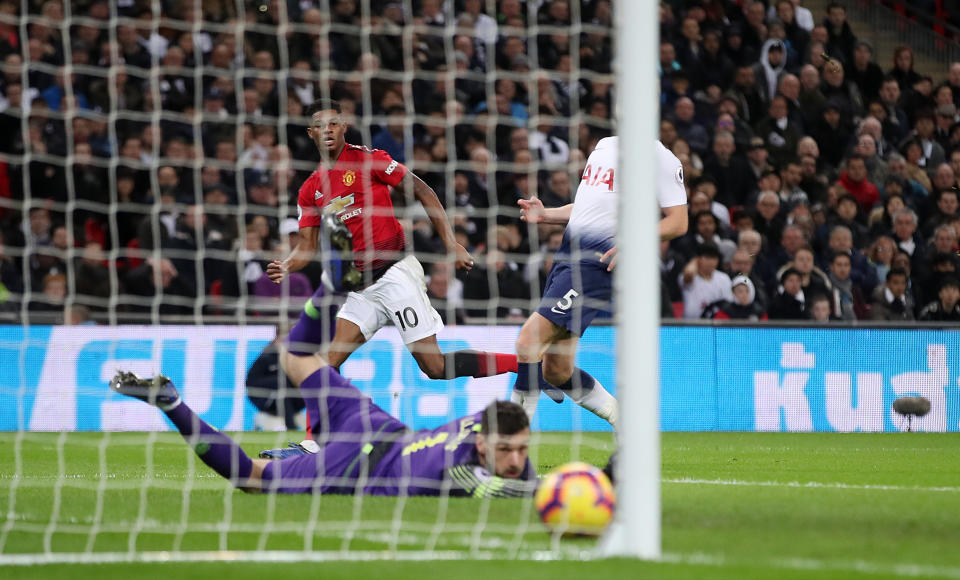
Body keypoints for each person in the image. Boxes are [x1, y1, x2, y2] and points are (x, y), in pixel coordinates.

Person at [267, 99, 518, 385]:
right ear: (310, 133)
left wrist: (451, 244)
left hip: (393, 272)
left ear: (344, 127)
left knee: (434, 368)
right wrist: (286, 265)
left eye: (334, 123)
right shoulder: (310, 190)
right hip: (359, 286)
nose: (328, 130)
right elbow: (307, 246)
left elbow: (423, 190)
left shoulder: (368, 159)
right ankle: (318, 431)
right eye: (320, 126)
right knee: (325, 363)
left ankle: (525, 367)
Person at [108, 354, 537, 497]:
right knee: (252, 479)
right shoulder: (461, 473)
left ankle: (334, 283)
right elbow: (515, 490)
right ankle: (173, 404)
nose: (515, 460)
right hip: (355, 466)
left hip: (376, 424)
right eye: (506, 451)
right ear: (482, 445)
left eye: (520, 450)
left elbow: (514, 468)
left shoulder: (481, 424)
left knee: (298, 357)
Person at [509, 138, 688, 425]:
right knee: (557, 370)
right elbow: (587, 207)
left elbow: (678, 221)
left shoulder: (660, 158)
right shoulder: (604, 146)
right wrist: (547, 214)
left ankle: (512, 444)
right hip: (566, 257)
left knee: (528, 341)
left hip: (596, 262)